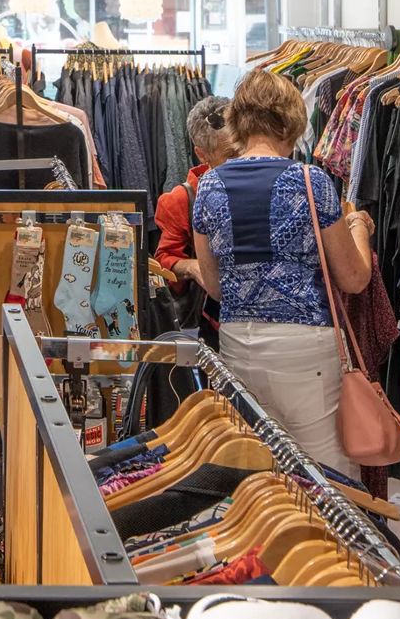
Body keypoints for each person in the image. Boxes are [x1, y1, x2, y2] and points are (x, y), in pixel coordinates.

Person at [192, 69, 374, 475]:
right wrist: (358, 227)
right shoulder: (310, 181)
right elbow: (354, 278)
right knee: (325, 476)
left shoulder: (209, 186)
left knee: (256, 471)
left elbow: (215, 286)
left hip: (238, 342)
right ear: (291, 119)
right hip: (305, 348)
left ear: (237, 121)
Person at [154, 96, 236, 335]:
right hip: (212, 319)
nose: (242, 159)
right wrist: (193, 267)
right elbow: (163, 259)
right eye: (231, 154)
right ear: (202, 154)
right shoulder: (182, 199)